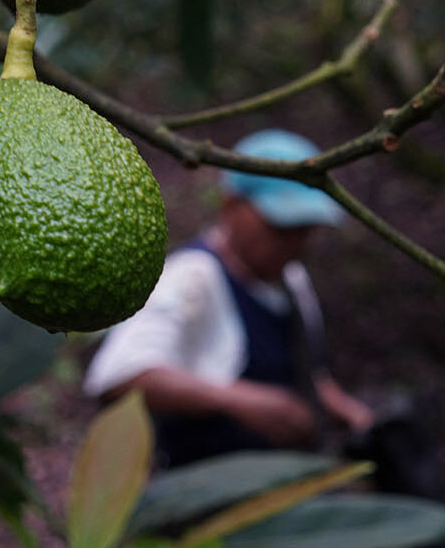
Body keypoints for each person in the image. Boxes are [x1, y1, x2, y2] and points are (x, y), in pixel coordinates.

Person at [82, 129, 375, 469]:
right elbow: (117, 376)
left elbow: (298, 368)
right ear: (230, 206)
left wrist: (351, 415)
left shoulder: (292, 280)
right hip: (205, 494)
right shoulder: (193, 277)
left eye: (305, 229)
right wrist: (238, 401)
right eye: (281, 228)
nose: (296, 243)